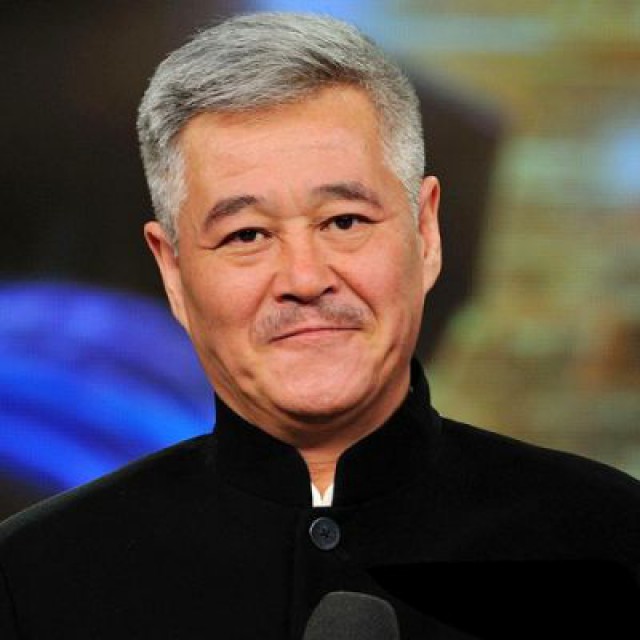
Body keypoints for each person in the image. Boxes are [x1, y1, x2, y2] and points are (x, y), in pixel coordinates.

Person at [0, 12, 638, 640]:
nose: (305, 279)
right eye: (247, 234)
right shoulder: (34, 576)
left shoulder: (613, 540)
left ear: (426, 234)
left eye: (345, 221)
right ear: (172, 269)